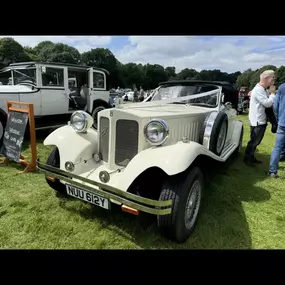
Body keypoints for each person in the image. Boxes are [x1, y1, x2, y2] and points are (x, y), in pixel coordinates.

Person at [244, 70, 275, 165]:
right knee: (254, 141)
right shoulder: (258, 90)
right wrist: (273, 94)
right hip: (257, 121)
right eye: (273, 77)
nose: (274, 79)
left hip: (259, 120)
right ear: (266, 78)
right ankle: (248, 159)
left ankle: (251, 157)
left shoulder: (261, 90)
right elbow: (267, 103)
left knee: (255, 141)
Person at [266, 83, 285, 177]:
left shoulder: (282, 87)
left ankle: (272, 171)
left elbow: (275, 106)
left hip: (282, 122)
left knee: (277, 148)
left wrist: (277, 119)